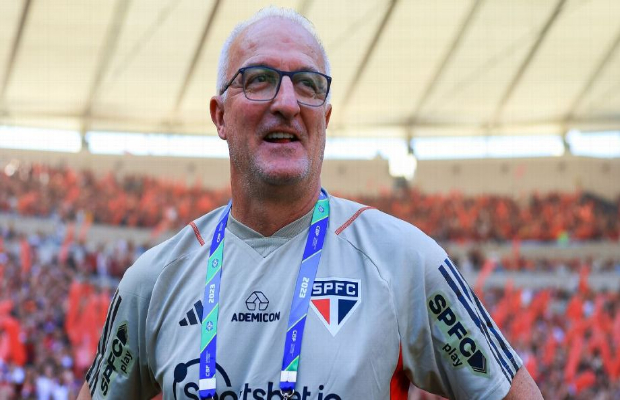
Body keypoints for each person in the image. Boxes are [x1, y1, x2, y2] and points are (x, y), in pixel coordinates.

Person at [78, 7, 542, 400]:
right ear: (219, 115)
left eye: (307, 85)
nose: (287, 102)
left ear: (326, 117)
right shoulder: (153, 281)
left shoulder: (403, 260)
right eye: (259, 80)